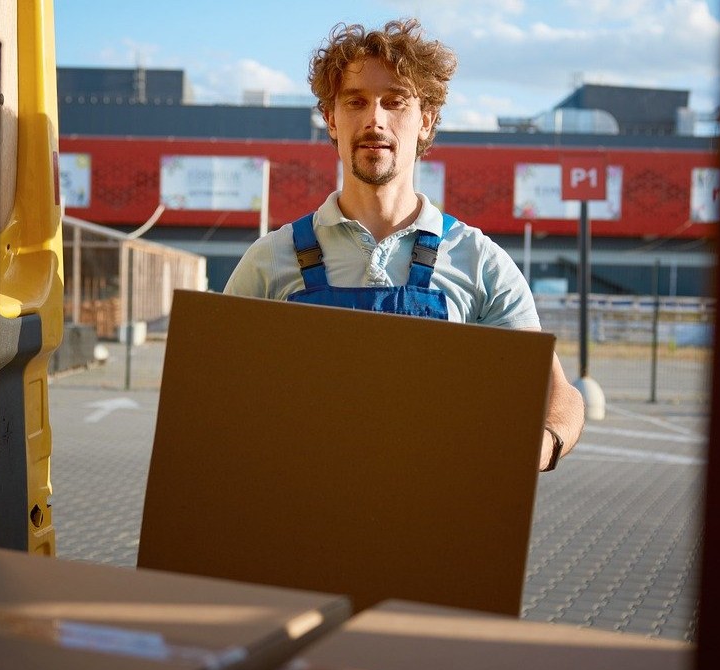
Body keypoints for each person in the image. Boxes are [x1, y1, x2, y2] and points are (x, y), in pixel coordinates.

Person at [223, 18, 585, 472]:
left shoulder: (480, 262)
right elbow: (216, 392)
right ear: (332, 120)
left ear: (426, 120)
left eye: (395, 102)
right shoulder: (269, 260)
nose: (375, 118)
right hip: (300, 522)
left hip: (432, 523)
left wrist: (546, 442)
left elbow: (557, 392)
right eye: (356, 102)